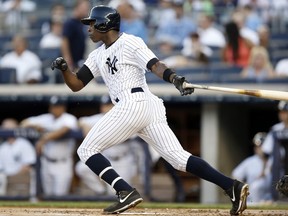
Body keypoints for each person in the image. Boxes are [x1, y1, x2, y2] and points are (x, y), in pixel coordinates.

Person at [51, 5, 249, 215]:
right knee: (178, 159)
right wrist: (65, 70)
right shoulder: (97, 55)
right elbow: (77, 84)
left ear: (104, 24)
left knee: (86, 150)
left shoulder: (130, 41)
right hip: (143, 107)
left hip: (133, 102)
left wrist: (173, 78)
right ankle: (232, 186)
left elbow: (155, 65)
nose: (89, 28)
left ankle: (124, 191)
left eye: (92, 23)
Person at [75, 95, 140, 196]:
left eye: (108, 105)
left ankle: (109, 194)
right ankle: (101, 191)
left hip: (122, 161)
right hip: (106, 159)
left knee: (116, 193)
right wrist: (85, 127)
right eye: (104, 105)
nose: (105, 108)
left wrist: (99, 135)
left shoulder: (124, 118)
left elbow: (132, 135)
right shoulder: (101, 118)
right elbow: (81, 121)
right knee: (81, 168)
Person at [20, 96, 78, 196]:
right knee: (48, 195)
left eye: (58, 107)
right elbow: (24, 123)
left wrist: (44, 138)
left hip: (62, 163)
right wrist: (36, 126)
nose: (55, 109)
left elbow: (64, 130)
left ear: (63, 108)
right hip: (46, 161)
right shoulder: (46, 118)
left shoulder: (69, 118)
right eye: (53, 107)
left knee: (60, 195)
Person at [232, 132, 272, 205]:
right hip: (253, 200)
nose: (257, 148)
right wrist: (245, 187)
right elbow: (236, 175)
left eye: (260, 146)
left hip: (272, 201)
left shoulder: (275, 161)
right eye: (256, 146)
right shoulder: (250, 161)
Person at [0, 118, 36, 196]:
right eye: (5, 128)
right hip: (6, 180)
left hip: (21, 178)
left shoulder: (24, 143)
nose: (7, 130)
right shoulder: (2, 147)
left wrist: (12, 177)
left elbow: (27, 166)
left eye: (10, 128)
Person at [262, 100, 288, 200]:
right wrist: (264, 169)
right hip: (278, 168)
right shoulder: (275, 129)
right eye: (280, 112)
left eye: (285, 112)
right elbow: (266, 152)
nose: (282, 114)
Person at [61, 0, 91, 71]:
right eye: (84, 8)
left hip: (80, 61)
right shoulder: (70, 23)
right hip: (72, 62)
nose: (86, 11)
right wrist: (67, 60)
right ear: (77, 7)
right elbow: (64, 41)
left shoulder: (82, 23)